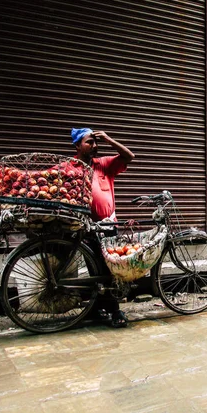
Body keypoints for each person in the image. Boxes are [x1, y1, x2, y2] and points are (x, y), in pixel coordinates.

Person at [72, 127, 135, 327]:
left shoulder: (103, 164)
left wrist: (108, 138)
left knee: (109, 269)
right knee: (97, 271)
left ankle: (102, 308)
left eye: (95, 142)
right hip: (86, 227)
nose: (94, 146)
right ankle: (112, 311)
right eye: (89, 142)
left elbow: (129, 156)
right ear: (77, 146)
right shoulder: (70, 167)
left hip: (108, 227)